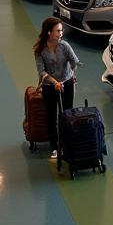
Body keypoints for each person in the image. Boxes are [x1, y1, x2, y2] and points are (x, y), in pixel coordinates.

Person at [34, 17, 80, 161]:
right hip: (50, 85)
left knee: (67, 113)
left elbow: (74, 61)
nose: (61, 33)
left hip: (66, 83)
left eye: (61, 30)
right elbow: (42, 72)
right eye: (58, 30)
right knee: (51, 116)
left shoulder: (64, 46)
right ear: (49, 32)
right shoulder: (40, 50)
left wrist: (72, 75)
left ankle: (67, 143)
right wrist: (54, 82)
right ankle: (55, 146)